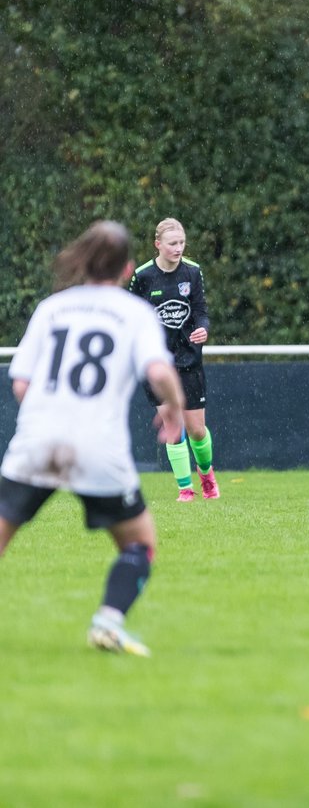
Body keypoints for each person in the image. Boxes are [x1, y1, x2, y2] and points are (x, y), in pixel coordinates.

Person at [0, 221, 185, 656]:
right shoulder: (134, 313)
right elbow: (159, 372)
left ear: (81, 259)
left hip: (38, 440)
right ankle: (108, 621)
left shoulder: (52, 308)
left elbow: (22, 385)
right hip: (99, 448)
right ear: (126, 269)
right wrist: (174, 408)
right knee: (140, 544)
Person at [128, 217, 220, 501]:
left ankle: (206, 477)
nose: (178, 248)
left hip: (188, 360)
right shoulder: (143, 276)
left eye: (181, 243)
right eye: (172, 244)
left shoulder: (192, 273)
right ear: (158, 245)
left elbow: (201, 310)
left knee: (196, 430)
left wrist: (203, 327)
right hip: (157, 363)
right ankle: (185, 489)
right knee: (172, 425)